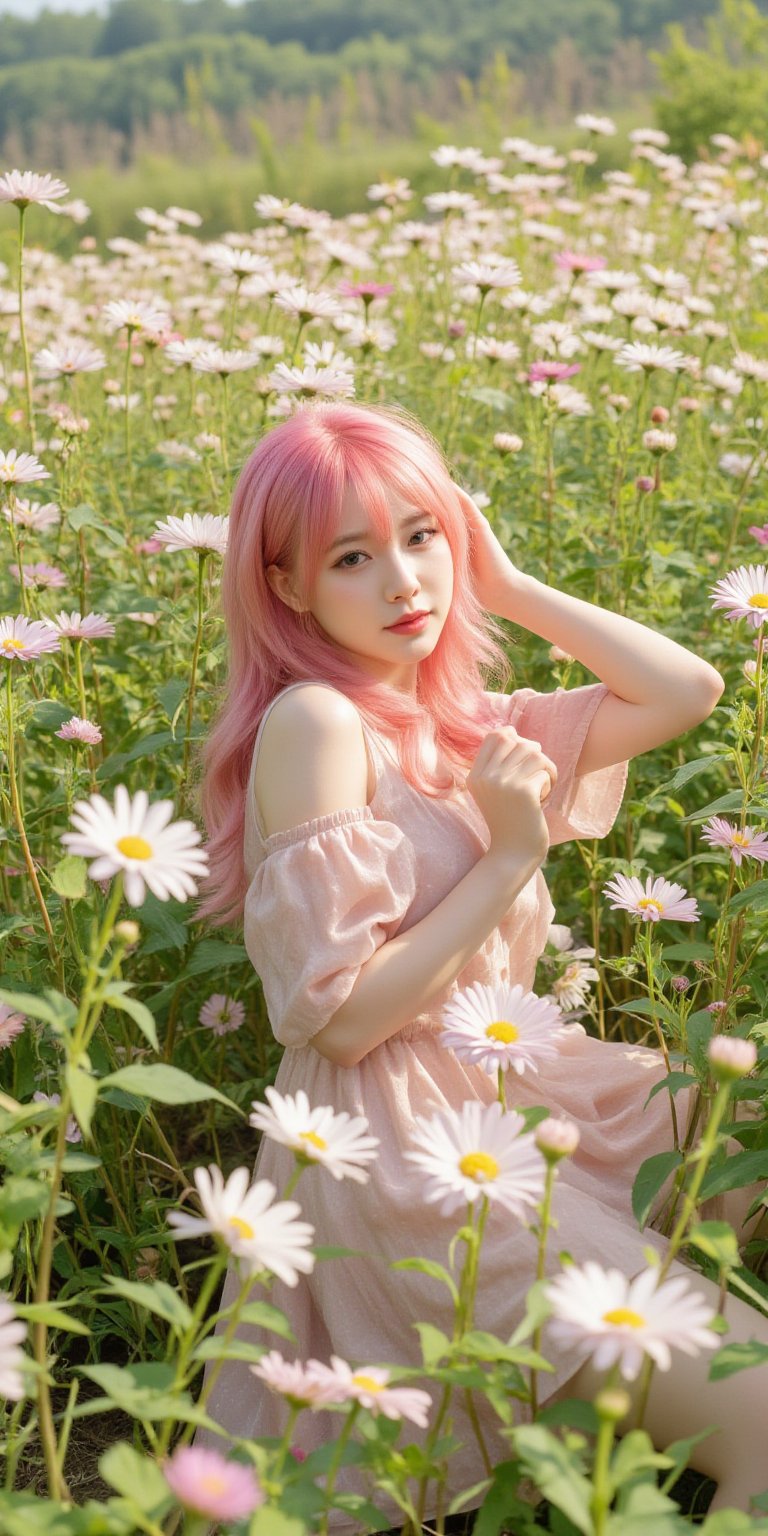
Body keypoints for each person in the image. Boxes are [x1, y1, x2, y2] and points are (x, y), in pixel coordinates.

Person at [195, 400, 767, 1525]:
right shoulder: (320, 723)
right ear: (289, 589)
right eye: (352, 558)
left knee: (739, 1127)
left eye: (423, 535)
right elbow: (342, 1021)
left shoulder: (457, 720)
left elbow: (685, 689)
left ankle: (647, 1401)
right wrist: (508, 854)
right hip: (402, 1154)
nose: (404, 580)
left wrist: (504, 586)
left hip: (513, 1095)